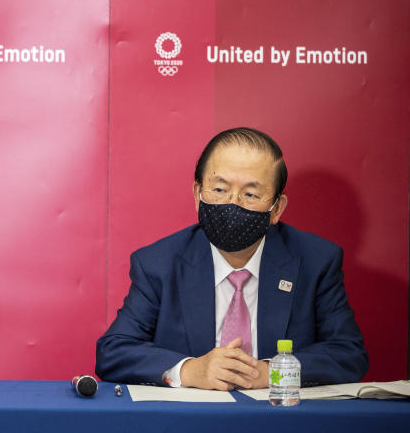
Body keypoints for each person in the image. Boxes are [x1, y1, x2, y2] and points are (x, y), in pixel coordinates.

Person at [95, 127, 367, 390]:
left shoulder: (316, 261)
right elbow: (114, 351)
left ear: (276, 209)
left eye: (250, 194)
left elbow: (348, 353)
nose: (232, 204)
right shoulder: (159, 263)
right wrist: (191, 370)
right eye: (220, 190)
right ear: (197, 195)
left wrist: (273, 373)